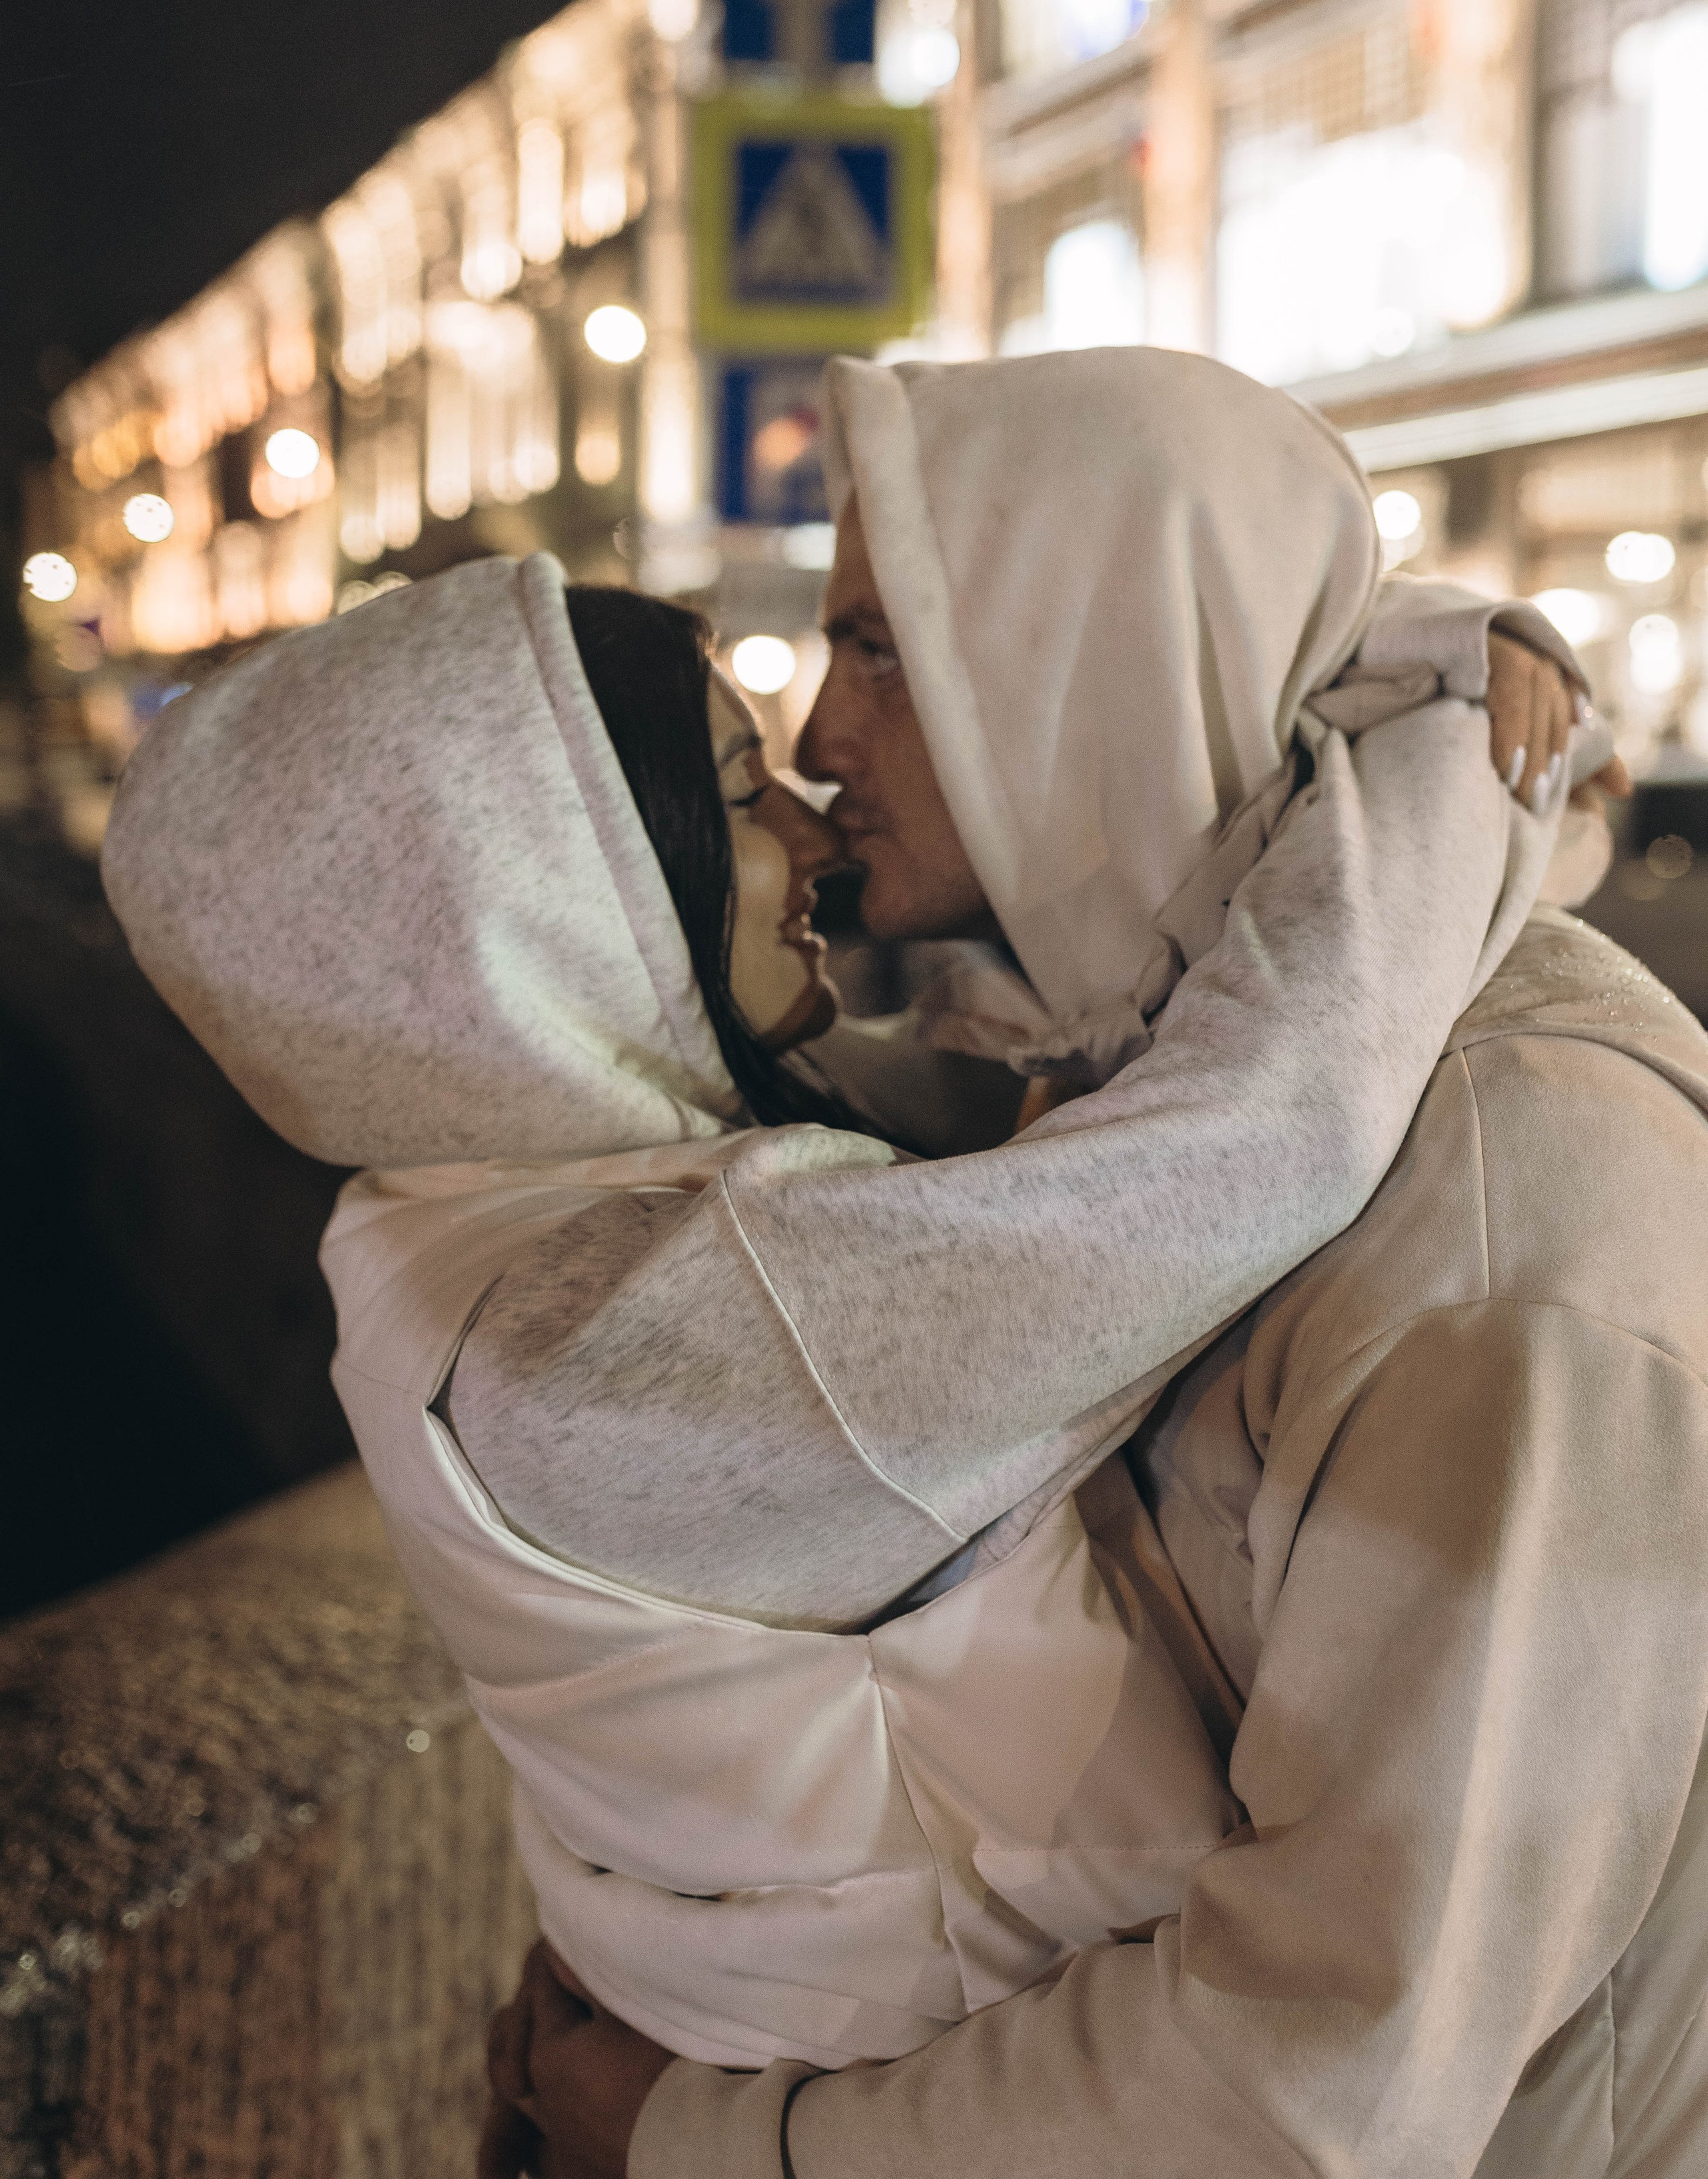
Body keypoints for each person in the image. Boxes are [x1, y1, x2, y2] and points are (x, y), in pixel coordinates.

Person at [100, 350, 1601, 2164]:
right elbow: (1253, 1131)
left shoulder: (467, 1203)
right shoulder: (662, 1325)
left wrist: (1351, 655)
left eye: (878, 650)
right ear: (547, 921)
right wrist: (1461, 749)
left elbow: (1033, 1060)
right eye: (739, 796)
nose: (808, 781)